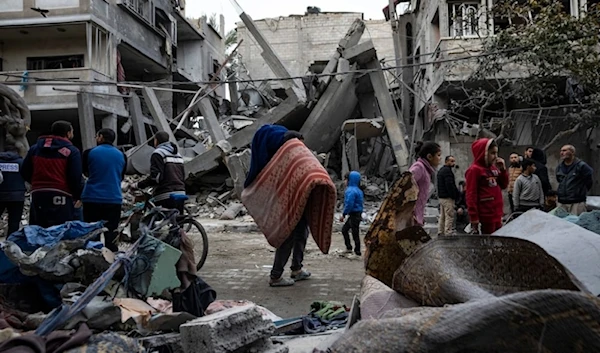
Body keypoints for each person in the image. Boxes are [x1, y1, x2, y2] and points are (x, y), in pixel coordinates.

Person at [242, 125, 309, 287]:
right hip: (284, 201)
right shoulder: (276, 151)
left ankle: (296, 269)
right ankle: (276, 276)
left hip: (295, 198)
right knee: (288, 234)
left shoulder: (283, 148)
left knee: (302, 230)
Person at [21, 121, 82, 228]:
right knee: (60, 230)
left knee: (38, 229)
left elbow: (25, 171)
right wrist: (77, 195)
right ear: (68, 133)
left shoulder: (35, 149)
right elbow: (75, 177)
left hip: (38, 194)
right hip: (62, 194)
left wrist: (36, 183)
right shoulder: (72, 151)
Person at [81, 128, 127, 252]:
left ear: (101, 137)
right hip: (113, 198)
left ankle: (91, 261)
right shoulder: (122, 155)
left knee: (91, 233)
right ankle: (112, 261)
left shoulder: (89, 153)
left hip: (92, 197)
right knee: (111, 232)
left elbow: (85, 172)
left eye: (96, 136)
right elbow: (121, 176)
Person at [465, 138, 508, 234]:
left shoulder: (493, 168)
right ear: (483, 153)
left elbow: (504, 185)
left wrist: (503, 170)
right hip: (485, 216)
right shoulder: (474, 170)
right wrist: (474, 217)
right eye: (492, 153)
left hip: (496, 214)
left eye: (496, 153)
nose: (495, 157)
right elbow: (471, 195)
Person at [135, 131, 186, 213]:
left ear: (156, 140)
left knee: (153, 216)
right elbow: (183, 175)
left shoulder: (158, 153)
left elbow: (156, 177)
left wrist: (140, 184)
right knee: (178, 220)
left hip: (166, 193)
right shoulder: (178, 154)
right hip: (181, 191)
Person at [409, 141, 442, 226]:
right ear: (429, 156)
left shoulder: (426, 170)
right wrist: (409, 213)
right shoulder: (419, 167)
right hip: (411, 217)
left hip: (417, 217)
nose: (440, 158)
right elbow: (405, 186)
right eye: (438, 155)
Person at [556, 145, 593, 216]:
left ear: (572, 152)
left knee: (577, 223)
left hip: (577, 202)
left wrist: (580, 192)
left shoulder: (581, 166)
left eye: (564, 150)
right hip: (562, 202)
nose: (561, 153)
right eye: (561, 151)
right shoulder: (559, 167)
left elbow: (589, 181)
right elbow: (559, 180)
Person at [0, 145, 26, 236]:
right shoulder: (21, 162)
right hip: (17, 196)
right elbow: (28, 176)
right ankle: (10, 243)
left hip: (0, 195)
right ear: (16, 152)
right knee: (14, 222)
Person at [340, 171, 364, 256]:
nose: (344, 181)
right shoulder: (359, 190)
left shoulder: (350, 191)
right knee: (347, 230)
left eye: (346, 179)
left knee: (353, 232)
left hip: (353, 214)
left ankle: (356, 251)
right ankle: (351, 248)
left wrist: (344, 214)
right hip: (357, 213)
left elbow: (349, 204)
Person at [437, 155, 458, 236]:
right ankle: (448, 232)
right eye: (451, 161)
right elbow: (450, 185)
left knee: (442, 216)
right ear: (446, 162)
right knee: (449, 215)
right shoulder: (447, 172)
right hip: (447, 198)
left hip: (441, 197)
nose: (453, 163)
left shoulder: (441, 170)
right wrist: (454, 195)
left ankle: (441, 231)